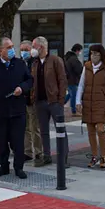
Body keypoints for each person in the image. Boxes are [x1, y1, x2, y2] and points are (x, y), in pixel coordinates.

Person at [0, 37, 33, 179]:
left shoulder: (20, 64)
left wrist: (22, 88)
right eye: (8, 47)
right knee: (2, 141)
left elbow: (29, 80)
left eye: (12, 46)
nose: (12, 50)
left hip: (18, 110)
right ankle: (3, 166)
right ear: (0, 51)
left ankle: (19, 167)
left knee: (18, 141)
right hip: (0, 110)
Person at [75, 44, 105, 169]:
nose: (94, 56)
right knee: (91, 131)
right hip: (88, 103)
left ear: (101, 55)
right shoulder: (86, 67)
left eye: (96, 54)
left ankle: (104, 157)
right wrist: (78, 101)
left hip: (101, 103)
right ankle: (94, 156)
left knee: (100, 130)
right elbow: (81, 85)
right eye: (92, 53)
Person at [30, 36, 68, 167]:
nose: (32, 49)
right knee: (43, 131)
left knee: (60, 129)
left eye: (34, 46)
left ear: (41, 47)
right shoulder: (35, 63)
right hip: (40, 101)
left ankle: (63, 158)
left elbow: (62, 80)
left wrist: (60, 100)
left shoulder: (55, 60)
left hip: (54, 101)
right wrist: (33, 97)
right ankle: (47, 155)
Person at [20, 40, 42, 164]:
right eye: (22, 50)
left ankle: (38, 152)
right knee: (25, 128)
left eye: (26, 50)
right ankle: (27, 152)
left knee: (35, 128)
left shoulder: (35, 63)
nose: (24, 52)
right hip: (22, 99)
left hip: (33, 99)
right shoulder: (20, 63)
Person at [64, 44, 84, 117]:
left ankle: (59, 104)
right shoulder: (74, 59)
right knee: (74, 96)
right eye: (80, 51)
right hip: (73, 80)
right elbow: (79, 69)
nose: (80, 53)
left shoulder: (69, 58)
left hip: (69, 79)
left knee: (70, 94)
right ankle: (74, 111)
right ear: (77, 50)